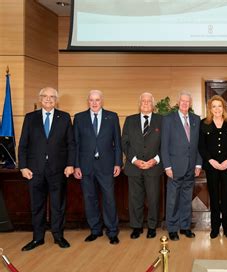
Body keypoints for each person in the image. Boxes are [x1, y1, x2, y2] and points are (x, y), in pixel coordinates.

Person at [18, 87, 75, 251]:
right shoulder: (30, 118)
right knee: (37, 205)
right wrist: (23, 166)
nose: (48, 99)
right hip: (34, 170)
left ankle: (58, 236)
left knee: (58, 205)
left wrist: (70, 164)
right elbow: (23, 145)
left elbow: (71, 144)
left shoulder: (64, 117)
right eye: (45, 96)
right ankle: (37, 238)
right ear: (40, 99)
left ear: (56, 100)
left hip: (58, 169)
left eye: (52, 97)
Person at [73, 90, 122, 245]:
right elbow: (76, 144)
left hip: (106, 165)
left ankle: (112, 231)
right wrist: (76, 166)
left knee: (109, 199)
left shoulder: (112, 116)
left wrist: (117, 163)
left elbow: (118, 144)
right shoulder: (79, 118)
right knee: (90, 199)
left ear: (102, 101)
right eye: (91, 100)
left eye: (97, 100)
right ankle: (95, 230)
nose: (94, 103)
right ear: (88, 101)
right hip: (86, 166)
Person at [161, 91, 202, 241]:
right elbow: (164, 145)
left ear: (190, 104)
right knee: (172, 199)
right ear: (178, 103)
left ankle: (185, 227)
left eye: (187, 101)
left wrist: (198, 164)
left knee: (186, 198)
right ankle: (172, 228)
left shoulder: (196, 119)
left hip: (191, 167)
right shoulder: (168, 119)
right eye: (182, 101)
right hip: (174, 167)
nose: (185, 104)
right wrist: (167, 167)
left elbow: (198, 145)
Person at [122, 92, 163, 239]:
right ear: (139, 104)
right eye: (143, 101)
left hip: (154, 167)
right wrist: (134, 160)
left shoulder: (161, 120)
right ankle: (136, 227)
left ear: (153, 105)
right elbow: (124, 143)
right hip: (134, 167)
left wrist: (155, 160)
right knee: (135, 199)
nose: (145, 104)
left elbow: (165, 145)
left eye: (148, 102)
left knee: (153, 199)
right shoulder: (130, 120)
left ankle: (152, 227)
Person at [198, 95, 227, 240]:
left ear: (224, 108)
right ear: (210, 108)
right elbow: (201, 146)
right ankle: (215, 228)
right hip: (211, 167)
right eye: (214, 106)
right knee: (214, 197)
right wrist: (211, 161)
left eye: (219, 106)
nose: (217, 109)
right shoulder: (204, 123)